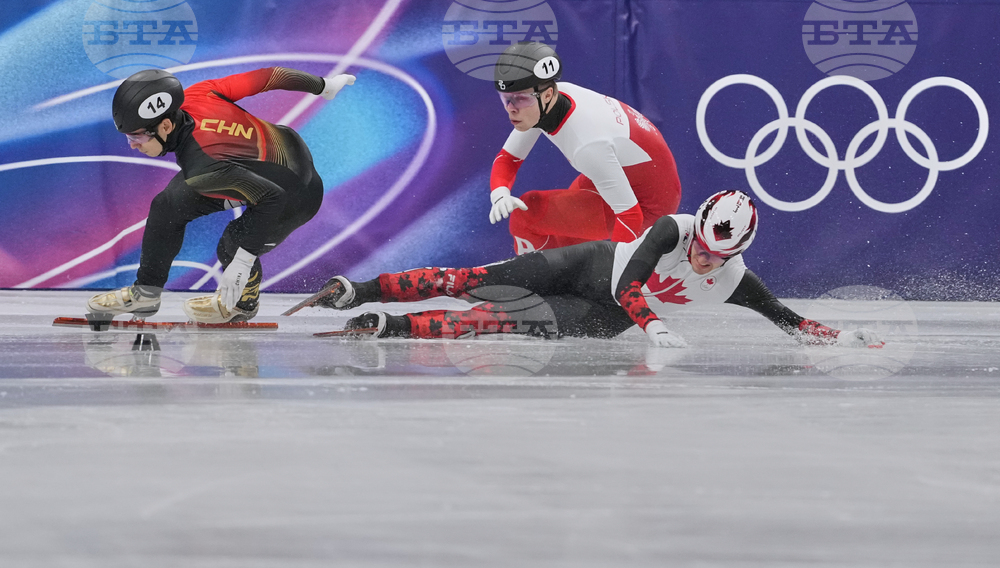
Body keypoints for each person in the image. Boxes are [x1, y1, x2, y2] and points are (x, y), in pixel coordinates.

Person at [302, 190, 882, 349]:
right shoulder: (673, 229)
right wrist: (655, 326)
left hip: (602, 315)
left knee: (492, 320)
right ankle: (358, 290)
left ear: (734, 255)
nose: (701, 257)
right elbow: (631, 282)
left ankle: (387, 325)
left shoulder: (735, 283)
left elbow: (785, 318)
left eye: (715, 255)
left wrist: (838, 337)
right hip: (591, 264)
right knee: (470, 278)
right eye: (701, 244)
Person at [86, 66, 356, 323]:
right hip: (277, 153)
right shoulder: (199, 93)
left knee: (233, 245)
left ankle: (242, 304)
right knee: (167, 205)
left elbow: (272, 198)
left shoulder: (202, 165)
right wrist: (323, 86)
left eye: (137, 138)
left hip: (296, 194)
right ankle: (145, 294)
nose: (132, 146)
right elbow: (271, 76)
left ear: (166, 126)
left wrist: (242, 260)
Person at [488, 41, 682, 255]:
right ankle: (555, 281)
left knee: (527, 214)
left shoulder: (588, 145)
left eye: (520, 99)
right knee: (563, 244)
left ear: (547, 95)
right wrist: (499, 194)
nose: (511, 109)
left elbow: (630, 215)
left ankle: (537, 283)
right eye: (505, 99)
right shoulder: (548, 100)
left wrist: (610, 279)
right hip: (633, 177)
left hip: (648, 205)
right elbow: (508, 159)